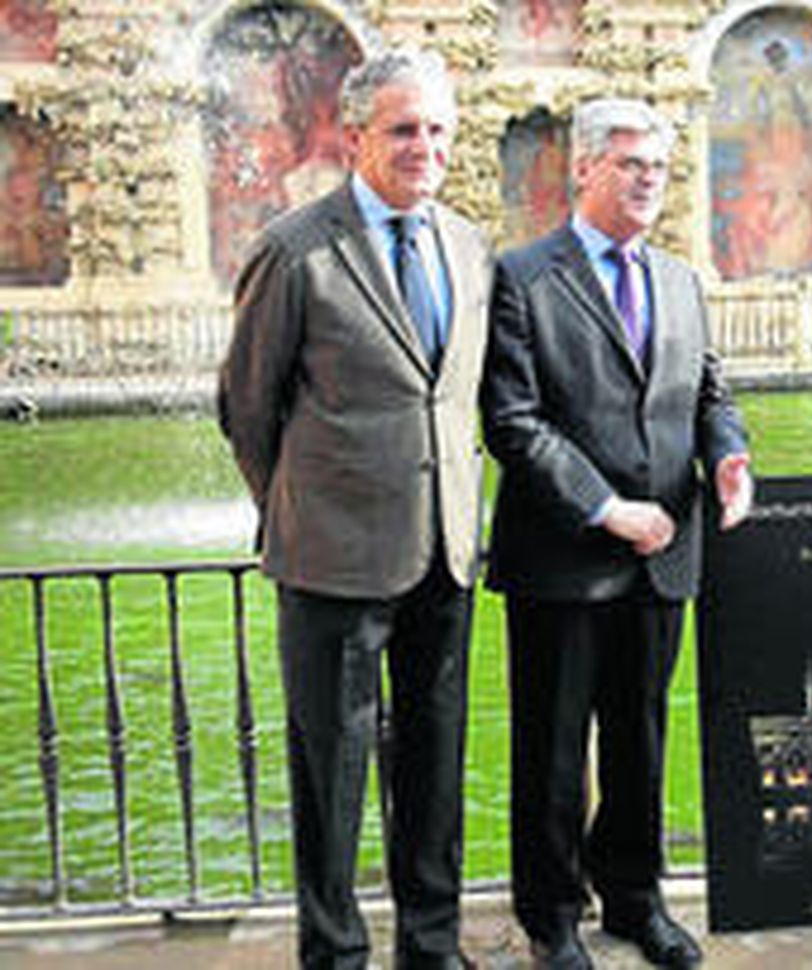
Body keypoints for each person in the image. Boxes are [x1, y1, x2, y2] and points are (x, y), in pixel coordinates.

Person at [218, 48, 489, 969]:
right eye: (405, 129)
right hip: (332, 562)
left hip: (446, 555)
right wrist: (296, 508)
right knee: (330, 776)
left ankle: (432, 945)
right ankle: (333, 954)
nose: (426, 147)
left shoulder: (465, 244)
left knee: (435, 767)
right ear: (357, 135)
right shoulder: (296, 248)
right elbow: (247, 406)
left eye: (439, 129)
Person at [481, 97, 753, 970]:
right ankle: (552, 916)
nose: (647, 181)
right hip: (565, 557)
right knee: (554, 748)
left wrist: (731, 458)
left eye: (658, 169)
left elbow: (709, 392)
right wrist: (607, 507)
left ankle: (635, 898)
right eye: (631, 164)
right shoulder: (521, 277)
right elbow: (514, 423)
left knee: (640, 737)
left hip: (664, 556)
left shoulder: (678, 278)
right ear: (586, 168)